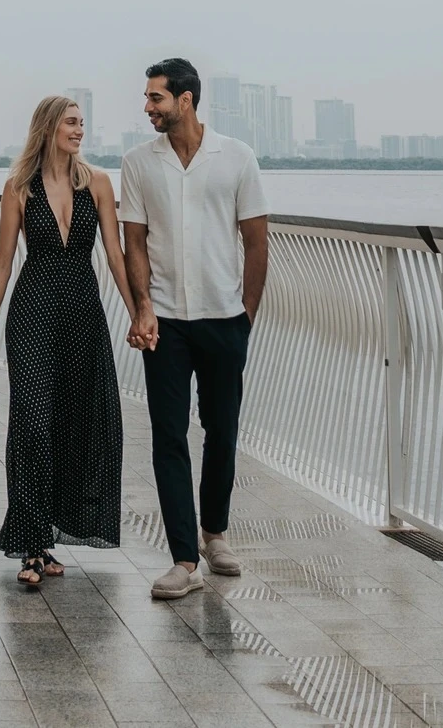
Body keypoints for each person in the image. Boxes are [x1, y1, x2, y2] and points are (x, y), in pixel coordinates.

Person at [0, 94, 139, 588]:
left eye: (82, 123)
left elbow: (114, 254)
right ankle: (31, 545)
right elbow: (3, 262)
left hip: (83, 316)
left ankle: (49, 535)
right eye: (71, 122)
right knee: (32, 425)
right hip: (32, 314)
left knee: (77, 423)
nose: (79, 130)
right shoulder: (18, 188)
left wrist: (138, 315)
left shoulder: (99, 184)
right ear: (48, 128)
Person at [122, 58, 269, 600]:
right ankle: (184, 558)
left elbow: (256, 241)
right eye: (147, 97)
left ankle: (216, 533)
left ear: (185, 99)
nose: (147, 107)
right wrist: (142, 306)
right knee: (168, 437)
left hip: (224, 319)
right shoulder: (139, 163)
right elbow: (133, 240)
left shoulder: (237, 157)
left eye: (155, 97)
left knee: (223, 432)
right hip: (164, 320)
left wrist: (245, 316)